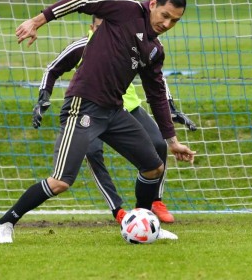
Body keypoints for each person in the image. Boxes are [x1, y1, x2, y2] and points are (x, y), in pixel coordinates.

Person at [0, 0, 196, 244]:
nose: (167, 23)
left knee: (154, 167)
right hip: (83, 106)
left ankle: (146, 222)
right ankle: (5, 222)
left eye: (174, 21)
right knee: (61, 182)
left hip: (114, 111)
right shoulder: (126, 9)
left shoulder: (154, 49)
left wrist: (172, 140)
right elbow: (83, 0)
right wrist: (37, 20)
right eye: (164, 15)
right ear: (153, 3)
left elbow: (156, 94)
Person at [32, 15, 197, 224]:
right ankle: (117, 210)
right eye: (100, 27)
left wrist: (170, 108)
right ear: (92, 27)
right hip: (91, 110)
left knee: (158, 143)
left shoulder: (127, 43)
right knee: (92, 152)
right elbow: (52, 68)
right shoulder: (83, 46)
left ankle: (155, 201)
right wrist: (42, 98)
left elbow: (156, 79)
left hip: (126, 106)